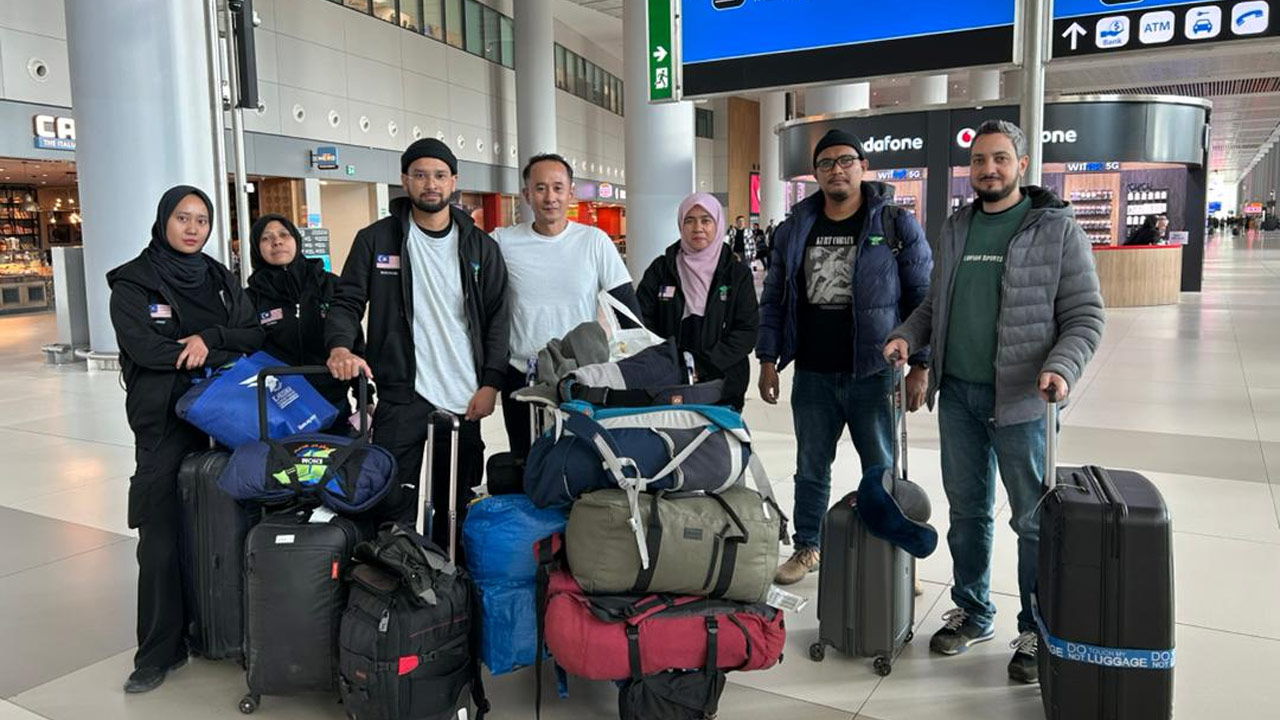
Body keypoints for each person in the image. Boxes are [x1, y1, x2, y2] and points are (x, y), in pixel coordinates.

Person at [884, 119, 1105, 684]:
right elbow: (934, 305)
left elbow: (1085, 316)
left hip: (1024, 401)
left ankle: (1035, 627)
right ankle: (973, 610)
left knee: (1032, 521)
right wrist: (908, 335)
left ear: (1021, 165)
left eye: (1000, 158)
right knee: (967, 512)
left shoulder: (1057, 230)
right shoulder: (957, 226)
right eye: (980, 159)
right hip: (958, 395)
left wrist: (1061, 367)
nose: (988, 169)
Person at [758, 128, 933, 586]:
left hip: (875, 372)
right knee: (811, 468)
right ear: (815, 173)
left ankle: (896, 553)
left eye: (845, 160)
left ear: (862, 167)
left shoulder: (895, 223)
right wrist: (767, 359)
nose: (836, 169)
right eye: (826, 163)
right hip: (813, 371)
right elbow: (774, 298)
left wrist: (921, 365)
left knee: (882, 469)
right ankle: (807, 546)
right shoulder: (794, 228)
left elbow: (923, 298)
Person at [108, 185, 264, 693]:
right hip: (164, 420)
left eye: (202, 219)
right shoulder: (134, 282)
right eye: (183, 218)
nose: (193, 228)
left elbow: (251, 334)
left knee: (230, 520)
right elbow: (145, 349)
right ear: (163, 221)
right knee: (159, 532)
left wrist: (207, 340)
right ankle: (159, 651)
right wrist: (216, 351)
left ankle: (225, 630)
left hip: (225, 414)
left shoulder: (218, 277)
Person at [325, 138, 510, 550]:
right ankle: (394, 579)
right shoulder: (376, 239)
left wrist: (491, 382)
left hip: (464, 395)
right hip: (400, 393)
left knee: (456, 504)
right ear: (405, 179)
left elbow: (499, 318)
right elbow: (347, 301)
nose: (431, 184)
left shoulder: (480, 247)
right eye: (421, 175)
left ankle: (449, 581)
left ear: (454, 182)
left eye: (440, 175)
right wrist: (340, 346)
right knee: (391, 502)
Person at [492, 152, 639, 458]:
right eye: (540, 188)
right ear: (526, 194)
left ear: (571, 193)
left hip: (580, 377)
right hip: (522, 375)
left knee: (579, 463)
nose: (550, 197)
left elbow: (627, 308)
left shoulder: (594, 241)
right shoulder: (503, 242)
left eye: (558, 188)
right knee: (526, 462)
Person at [636, 192, 758, 410]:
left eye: (706, 220)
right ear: (680, 225)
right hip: (668, 382)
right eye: (689, 221)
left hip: (723, 383)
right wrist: (670, 363)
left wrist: (701, 366)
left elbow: (747, 331)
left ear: (718, 224)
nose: (697, 228)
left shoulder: (736, 274)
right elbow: (642, 320)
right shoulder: (661, 269)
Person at [246, 213, 365, 429]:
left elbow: (355, 343)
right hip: (278, 411)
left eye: (284, 235)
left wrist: (365, 399)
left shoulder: (330, 285)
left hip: (334, 406)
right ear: (256, 247)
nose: (277, 241)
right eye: (266, 238)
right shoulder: (249, 298)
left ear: (296, 240)